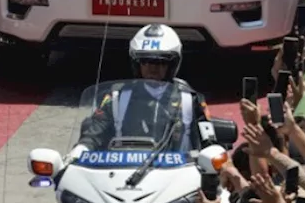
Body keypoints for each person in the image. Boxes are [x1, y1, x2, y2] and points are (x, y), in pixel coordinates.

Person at [73, 25, 208, 153]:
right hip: (124, 171)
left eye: (160, 62)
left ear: (172, 64)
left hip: (178, 173)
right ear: (136, 64)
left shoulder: (189, 98)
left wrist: (214, 151)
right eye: (145, 61)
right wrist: (81, 148)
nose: (153, 68)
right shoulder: (116, 97)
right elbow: (94, 130)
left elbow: (207, 136)